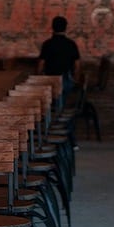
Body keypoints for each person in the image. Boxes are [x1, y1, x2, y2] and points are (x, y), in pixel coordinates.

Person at [38, 15, 82, 143]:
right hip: (66, 80)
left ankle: (50, 138)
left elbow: (40, 65)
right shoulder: (71, 44)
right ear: (66, 28)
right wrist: (75, 81)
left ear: (52, 28)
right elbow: (77, 66)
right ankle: (68, 140)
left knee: (48, 109)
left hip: (49, 82)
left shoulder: (47, 44)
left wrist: (38, 79)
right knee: (63, 111)